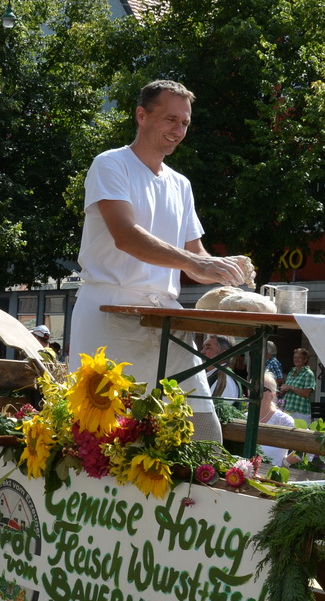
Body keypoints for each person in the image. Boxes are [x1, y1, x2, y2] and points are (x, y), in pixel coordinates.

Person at [69, 80, 252, 443]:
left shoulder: (180, 184)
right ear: (141, 115)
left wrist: (222, 265)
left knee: (203, 431)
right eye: (171, 119)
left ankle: (192, 499)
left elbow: (194, 257)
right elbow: (126, 236)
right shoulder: (110, 164)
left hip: (167, 319)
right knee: (103, 441)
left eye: (184, 123)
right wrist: (196, 263)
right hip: (110, 316)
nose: (178, 130)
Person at [257, 371, 296, 467]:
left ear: (273, 395)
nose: (256, 392)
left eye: (262, 389)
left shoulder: (284, 420)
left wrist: (285, 463)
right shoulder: (244, 417)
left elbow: (305, 446)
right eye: (253, 388)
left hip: (272, 476)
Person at [278, 347, 317, 424]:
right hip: (287, 410)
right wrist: (282, 390)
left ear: (305, 360)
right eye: (295, 357)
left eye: (299, 358)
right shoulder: (291, 373)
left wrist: (290, 387)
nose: (296, 359)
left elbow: (306, 393)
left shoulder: (308, 374)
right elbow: (288, 391)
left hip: (300, 412)